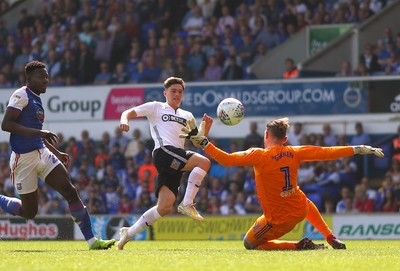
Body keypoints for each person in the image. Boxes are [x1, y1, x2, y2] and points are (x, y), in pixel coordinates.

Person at [186, 117, 384, 250]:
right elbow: (327, 151)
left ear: (266, 136)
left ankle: (298, 246)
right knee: (302, 199)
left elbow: (227, 159)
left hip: (277, 220)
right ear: (285, 139)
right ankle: (330, 236)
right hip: (298, 208)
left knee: (249, 243)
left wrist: (205, 144)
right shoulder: (296, 151)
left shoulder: (259, 155)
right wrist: (359, 148)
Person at [0, 61, 115, 250]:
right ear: (28, 79)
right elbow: (6, 125)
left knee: (70, 191)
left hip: (42, 153)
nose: (45, 80)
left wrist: (56, 152)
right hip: (23, 159)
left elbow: (37, 133)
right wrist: (40, 133)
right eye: (40, 77)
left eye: (46, 76)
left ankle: (92, 241)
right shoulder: (21, 94)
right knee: (30, 212)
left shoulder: (37, 98)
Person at [117, 76, 211, 250]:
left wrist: (206, 129)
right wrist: (124, 120)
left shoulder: (187, 116)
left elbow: (198, 141)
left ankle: (127, 233)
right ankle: (187, 203)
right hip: (163, 153)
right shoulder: (156, 107)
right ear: (165, 93)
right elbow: (128, 112)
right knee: (204, 162)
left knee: (165, 206)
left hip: (176, 157)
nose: (177, 94)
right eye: (173, 91)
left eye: (180, 92)